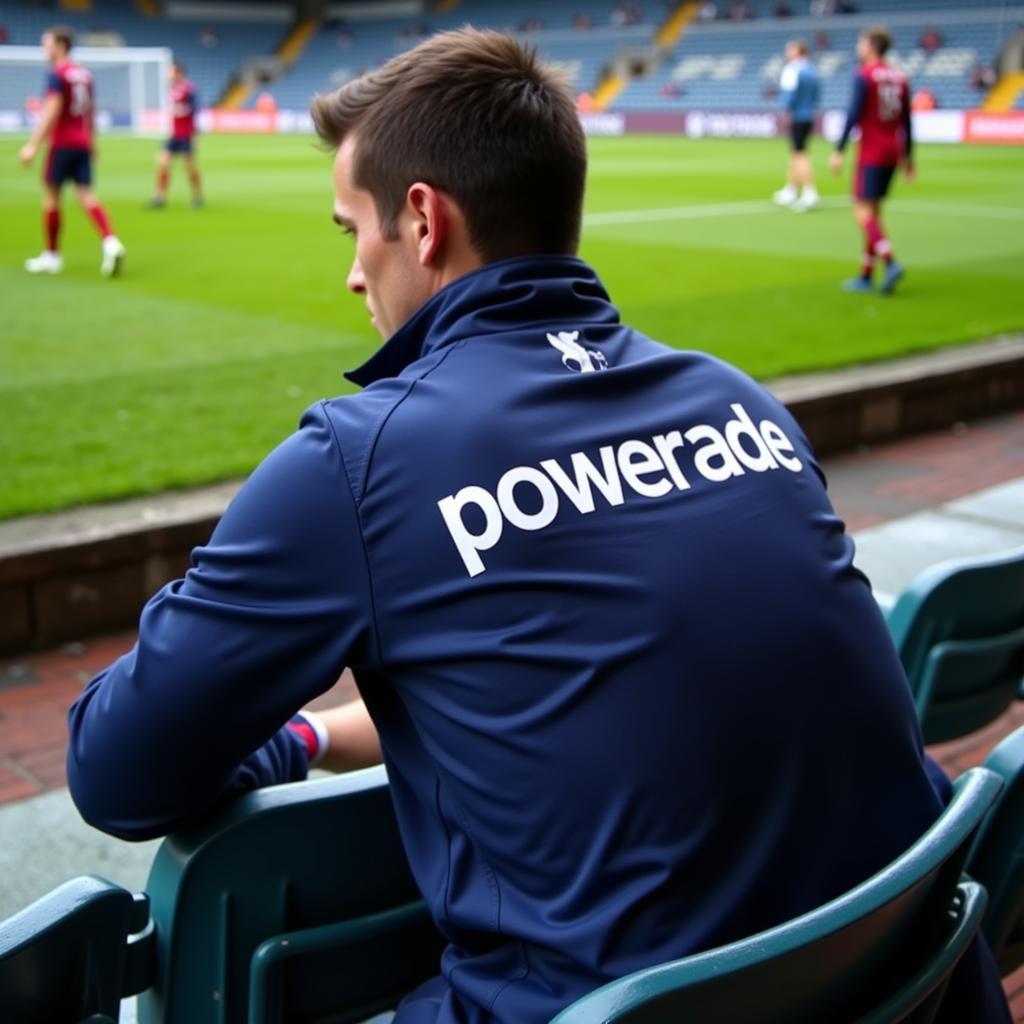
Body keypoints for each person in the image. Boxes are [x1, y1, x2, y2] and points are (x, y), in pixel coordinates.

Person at [67, 28, 1010, 1024]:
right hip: (903, 983)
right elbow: (607, 673)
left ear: (423, 221)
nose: (352, 272)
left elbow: (116, 770)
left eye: (351, 230)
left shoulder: (362, 461)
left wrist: (265, 735)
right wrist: (310, 737)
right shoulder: (742, 404)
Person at [18, 25, 125, 277]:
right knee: (86, 195)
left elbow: (53, 109)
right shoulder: (84, 74)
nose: (44, 48)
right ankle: (111, 241)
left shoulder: (58, 73)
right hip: (82, 142)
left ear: (60, 45)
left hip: (62, 142)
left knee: (52, 197)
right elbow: (90, 109)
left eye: (47, 43)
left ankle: (52, 256)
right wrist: (93, 143)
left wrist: (33, 144)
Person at [830, 25, 913, 294]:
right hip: (893, 150)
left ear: (872, 46)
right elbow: (907, 121)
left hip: (872, 152)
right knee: (875, 214)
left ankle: (890, 262)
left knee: (862, 212)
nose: (859, 47)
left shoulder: (864, 76)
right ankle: (866, 276)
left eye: (861, 43)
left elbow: (853, 115)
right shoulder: (900, 76)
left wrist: (839, 150)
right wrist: (909, 156)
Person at [773, 39, 821, 211]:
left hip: (798, 115)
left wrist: (787, 112)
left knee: (800, 153)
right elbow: (816, 95)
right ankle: (791, 189)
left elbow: (789, 96)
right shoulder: (812, 70)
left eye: (790, 49)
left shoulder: (792, 70)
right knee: (795, 151)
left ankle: (809, 191)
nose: (787, 52)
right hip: (809, 114)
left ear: (797, 51)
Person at [149, 61, 203, 209]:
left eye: (171, 71)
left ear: (178, 72)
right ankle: (160, 197)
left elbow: (195, 111)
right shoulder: (171, 89)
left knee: (189, 166)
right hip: (174, 134)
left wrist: (196, 135)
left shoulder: (189, 89)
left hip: (186, 134)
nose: (168, 74)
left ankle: (197, 196)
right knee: (163, 162)